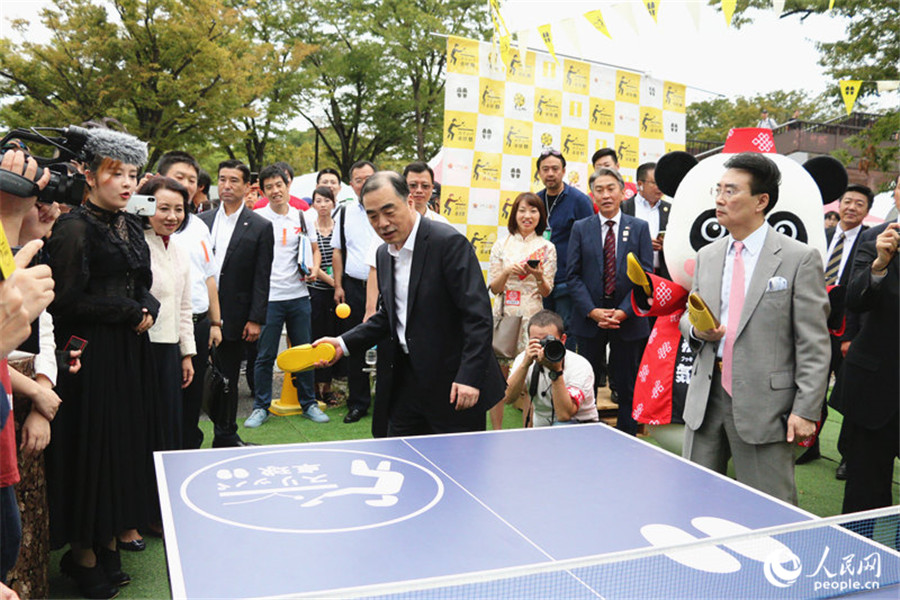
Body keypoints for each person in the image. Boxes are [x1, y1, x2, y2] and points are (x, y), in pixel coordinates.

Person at [44, 129, 159, 598]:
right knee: (92, 446)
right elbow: (65, 303)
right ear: (87, 174)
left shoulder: (130, 223)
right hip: (90, 355)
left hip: (130, 352)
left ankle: (109, 543)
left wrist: (145, 304)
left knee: (122, 445)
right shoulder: (73, 227)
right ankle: (84, 553)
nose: (127, 184)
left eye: (132, 174)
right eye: (116, 174)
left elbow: (141, 280)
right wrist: (129, 312)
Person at [679, 152, 830, 505]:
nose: (720, 198)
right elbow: (690, 314)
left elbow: (813, 342)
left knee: (769, 508)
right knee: (695, 501)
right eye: (718, 189)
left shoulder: (798, 257)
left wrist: (807, 409)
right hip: (707, 397)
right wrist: (698, 330)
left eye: (731, 191)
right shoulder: (709, 255)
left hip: (766, 404)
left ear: (761, 200)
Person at [313, 172, 505, 436]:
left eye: (389, 211)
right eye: (372, 216)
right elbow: (388, 316)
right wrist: (343, 343)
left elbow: (478, 317)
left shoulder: (448, 243)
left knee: (456, 468)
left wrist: (469, 377)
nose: (382, 223)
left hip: (454, 383)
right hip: (404, 380)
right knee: (400, 459)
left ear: (410, 202)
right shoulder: (383, 253)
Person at [567, 168, 653, 436]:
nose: (605, 195)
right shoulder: (581, 228)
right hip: (590, 319)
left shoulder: (639, 228)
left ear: (623, 192)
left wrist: (624, 312)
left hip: (626, 321)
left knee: (627, 384)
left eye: (611, 188)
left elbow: (646, 277)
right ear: (593, 194)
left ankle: (627, 437)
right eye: (599, 190)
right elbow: (572, 276)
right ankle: (587, 435)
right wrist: (592, 311)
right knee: (586, 382)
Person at [832, 177, 898, 514]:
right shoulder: (876, 238)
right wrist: (879, 266)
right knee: (865, 493)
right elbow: (854, 299)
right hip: (876, 383)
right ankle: (858, 555)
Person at [244, 165, 328, 428]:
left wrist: (315, 268)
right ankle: (261, 407)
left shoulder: (302, 216)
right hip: (268, 298)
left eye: (279, 185)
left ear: (288, 184)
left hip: (299, 295)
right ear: (263, 190)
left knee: (304, 351)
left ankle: (309, 403)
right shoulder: (257, 216)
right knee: (265, 356)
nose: (275, 191)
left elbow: (315, 250)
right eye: (269, 187)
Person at [198, 160, 273, 447]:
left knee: (227, 379)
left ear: (247, 187)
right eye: (223, 180)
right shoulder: (202, 221)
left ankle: (226, 435)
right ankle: (188, 435)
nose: (227, 186)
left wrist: (256, 318)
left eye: (234, 181)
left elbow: (261, 276)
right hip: (199, 312)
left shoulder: (259, 226)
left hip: (236, 314)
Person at [801, 184, 872, 468]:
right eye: (848, 202)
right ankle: (808, 444)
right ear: (838, 205)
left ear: (867, 211)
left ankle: (848, 456)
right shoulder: (821, 235)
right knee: (811, 386)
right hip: (814, 325)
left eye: (859, 204)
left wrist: (853, 335)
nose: (852, 208)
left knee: (850, 393)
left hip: (848, 331)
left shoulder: (870, 240)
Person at [163, 151, 222, 451]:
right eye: (178, 177)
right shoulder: (148, 224)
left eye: (191, 180)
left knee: (192, 395)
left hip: (198, 324)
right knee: (164, 398)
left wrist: (215, 322)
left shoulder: (199, 225)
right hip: (162, 329)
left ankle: (188, 448)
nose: (186, 184)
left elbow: (209, 277)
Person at [487, 192, 557, 429]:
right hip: (505, 317)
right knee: (498, 378)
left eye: (533, 211)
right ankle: (496, 431)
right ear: (514, 214)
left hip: (534, 319)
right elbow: (494, 288)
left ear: (541, 215)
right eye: (522, 211)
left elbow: (547, 291)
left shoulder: (547, 248)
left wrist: (538, 276)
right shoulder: (501, 244)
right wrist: (507, 271)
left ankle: (528, 430)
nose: (527, 216)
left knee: (532, 377)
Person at [140, 176, 196, 451]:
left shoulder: (180, 250)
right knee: (145, 424)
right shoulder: (135, 246)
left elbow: (184, 306)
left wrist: (186, 353)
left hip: (170, 352)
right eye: (164, 208)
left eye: (179, 208)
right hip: (140, 348)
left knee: (170, 423)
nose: (172, 216)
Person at [331, 160, 376, 424]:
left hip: (385, 289)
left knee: (390, 343)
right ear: (352, 184)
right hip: (354, 287)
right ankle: (358, 403)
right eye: (359, 179)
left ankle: (389, 399)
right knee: (354, 344)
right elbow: (337, 251)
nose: (364, 183)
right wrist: (338, 285)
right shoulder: (345, 212)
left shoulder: (387, 208)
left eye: (369, 178)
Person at [535, 149, 594, 347]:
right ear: (539, 173)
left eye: (555, 168)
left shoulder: (579, 201)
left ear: (563, 171)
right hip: (540, 279)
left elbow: (589, 242)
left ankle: (563, 372)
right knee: (540, 329)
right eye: (545, 169)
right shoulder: (535, 201)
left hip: (565, 280)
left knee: (565, 330)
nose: (550, 173)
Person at [503, 310, 598, 427]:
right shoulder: (524, 359)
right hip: (543, 431)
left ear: (563, 340)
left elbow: (565, 415)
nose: (544, 347)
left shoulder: (579, 366)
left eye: (549, 341)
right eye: (538, 341)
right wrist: (524, 366)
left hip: (579, 427)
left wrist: (556, 371)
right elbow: (508, 398)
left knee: (561, 425)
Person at [307, 186, 339, 405]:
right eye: (318, 201)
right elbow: (312, 263)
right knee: (317, 338)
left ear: (333, 203)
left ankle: (328, 387)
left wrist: (339, 285)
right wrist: (332, 282)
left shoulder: (339, 228)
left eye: (327, 201)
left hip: (337, 294)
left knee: (333, 337)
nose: (323, 205)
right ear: (313, 204)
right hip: (317, 291)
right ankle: (314, 388)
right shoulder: (311, 228)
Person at [622, 162, 671, 279]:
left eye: (663, 182)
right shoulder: (624, 208)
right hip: (631, 275)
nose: (660, 186)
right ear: (640, 184)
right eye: (655, 183)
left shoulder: (670, 210)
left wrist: (666, 245)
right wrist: (643, 244)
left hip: (662, 276)